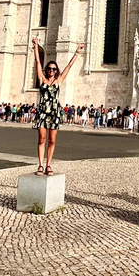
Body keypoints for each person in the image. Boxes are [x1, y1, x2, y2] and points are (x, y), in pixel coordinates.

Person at [30, 36, 83, 176]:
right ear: (46, 70)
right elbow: (37, 61)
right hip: (42, 111)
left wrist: (77, 52)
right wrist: (36, 46)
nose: (51, 71)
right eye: (49, 69)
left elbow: (68, 67)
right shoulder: (42, 78)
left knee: (52, 140)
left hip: (54, 112)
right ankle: (40, 165)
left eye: (54, 69)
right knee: (41, 139)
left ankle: (49, 165)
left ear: (56, 70)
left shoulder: (59, 80)